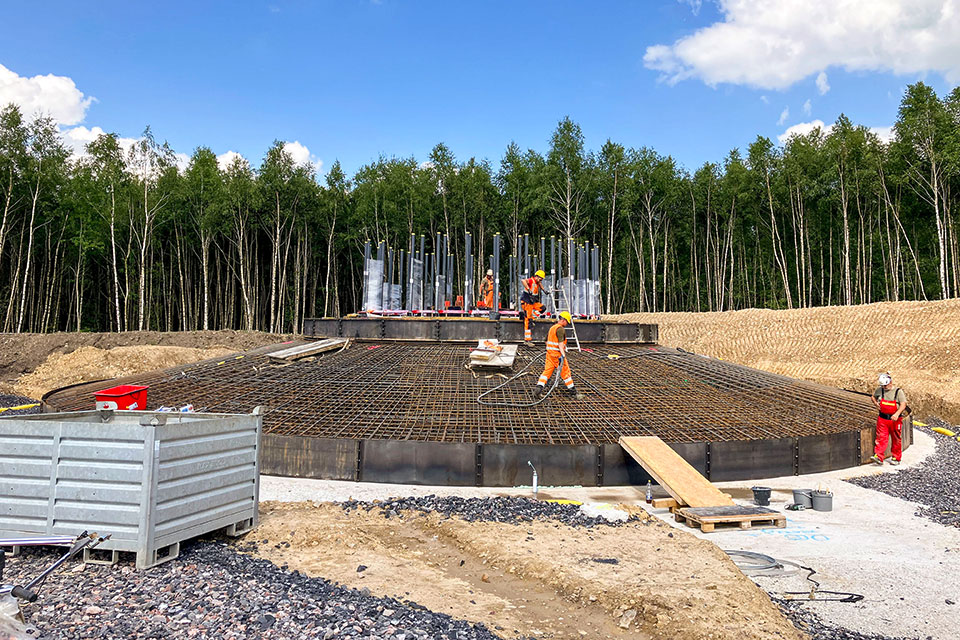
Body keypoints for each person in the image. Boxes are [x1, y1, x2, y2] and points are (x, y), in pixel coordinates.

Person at [534, 311, 578, 398]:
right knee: (566, 373)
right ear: (563, 320)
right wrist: (563, 355)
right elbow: (560, 344)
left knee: (546, 372)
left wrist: (551, 350)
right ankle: (573, 393)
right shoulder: (560, 329)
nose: (566, 324)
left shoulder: (552, 328)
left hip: (549, 355)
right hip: (557, 356)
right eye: (567, 322)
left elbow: (546, 341)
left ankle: (538, 389)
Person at [870, 372, 906, 465]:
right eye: (883, 386)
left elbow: (903, 404)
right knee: (881, 438)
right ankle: (878, 456)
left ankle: (896, 458)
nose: (884, 388)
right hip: (882, 419)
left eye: (885, 386)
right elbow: (873, 397)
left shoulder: (898, 392)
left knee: (896, 438)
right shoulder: (880, 390)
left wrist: (897, 414)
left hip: (895, 420)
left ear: (890, 382)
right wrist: (875, 403)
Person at [521, 269, 546, 343]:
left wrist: (544, 290)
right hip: (527, 302)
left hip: (533, 301)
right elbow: (523, 281)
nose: (541, 280)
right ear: (537, 277)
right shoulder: (531, 280)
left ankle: (533, 316)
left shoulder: (537, 282)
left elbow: (540, 284)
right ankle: (527, 340)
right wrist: (529, 290)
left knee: (542, 308)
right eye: (540, 279)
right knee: (528, 320)